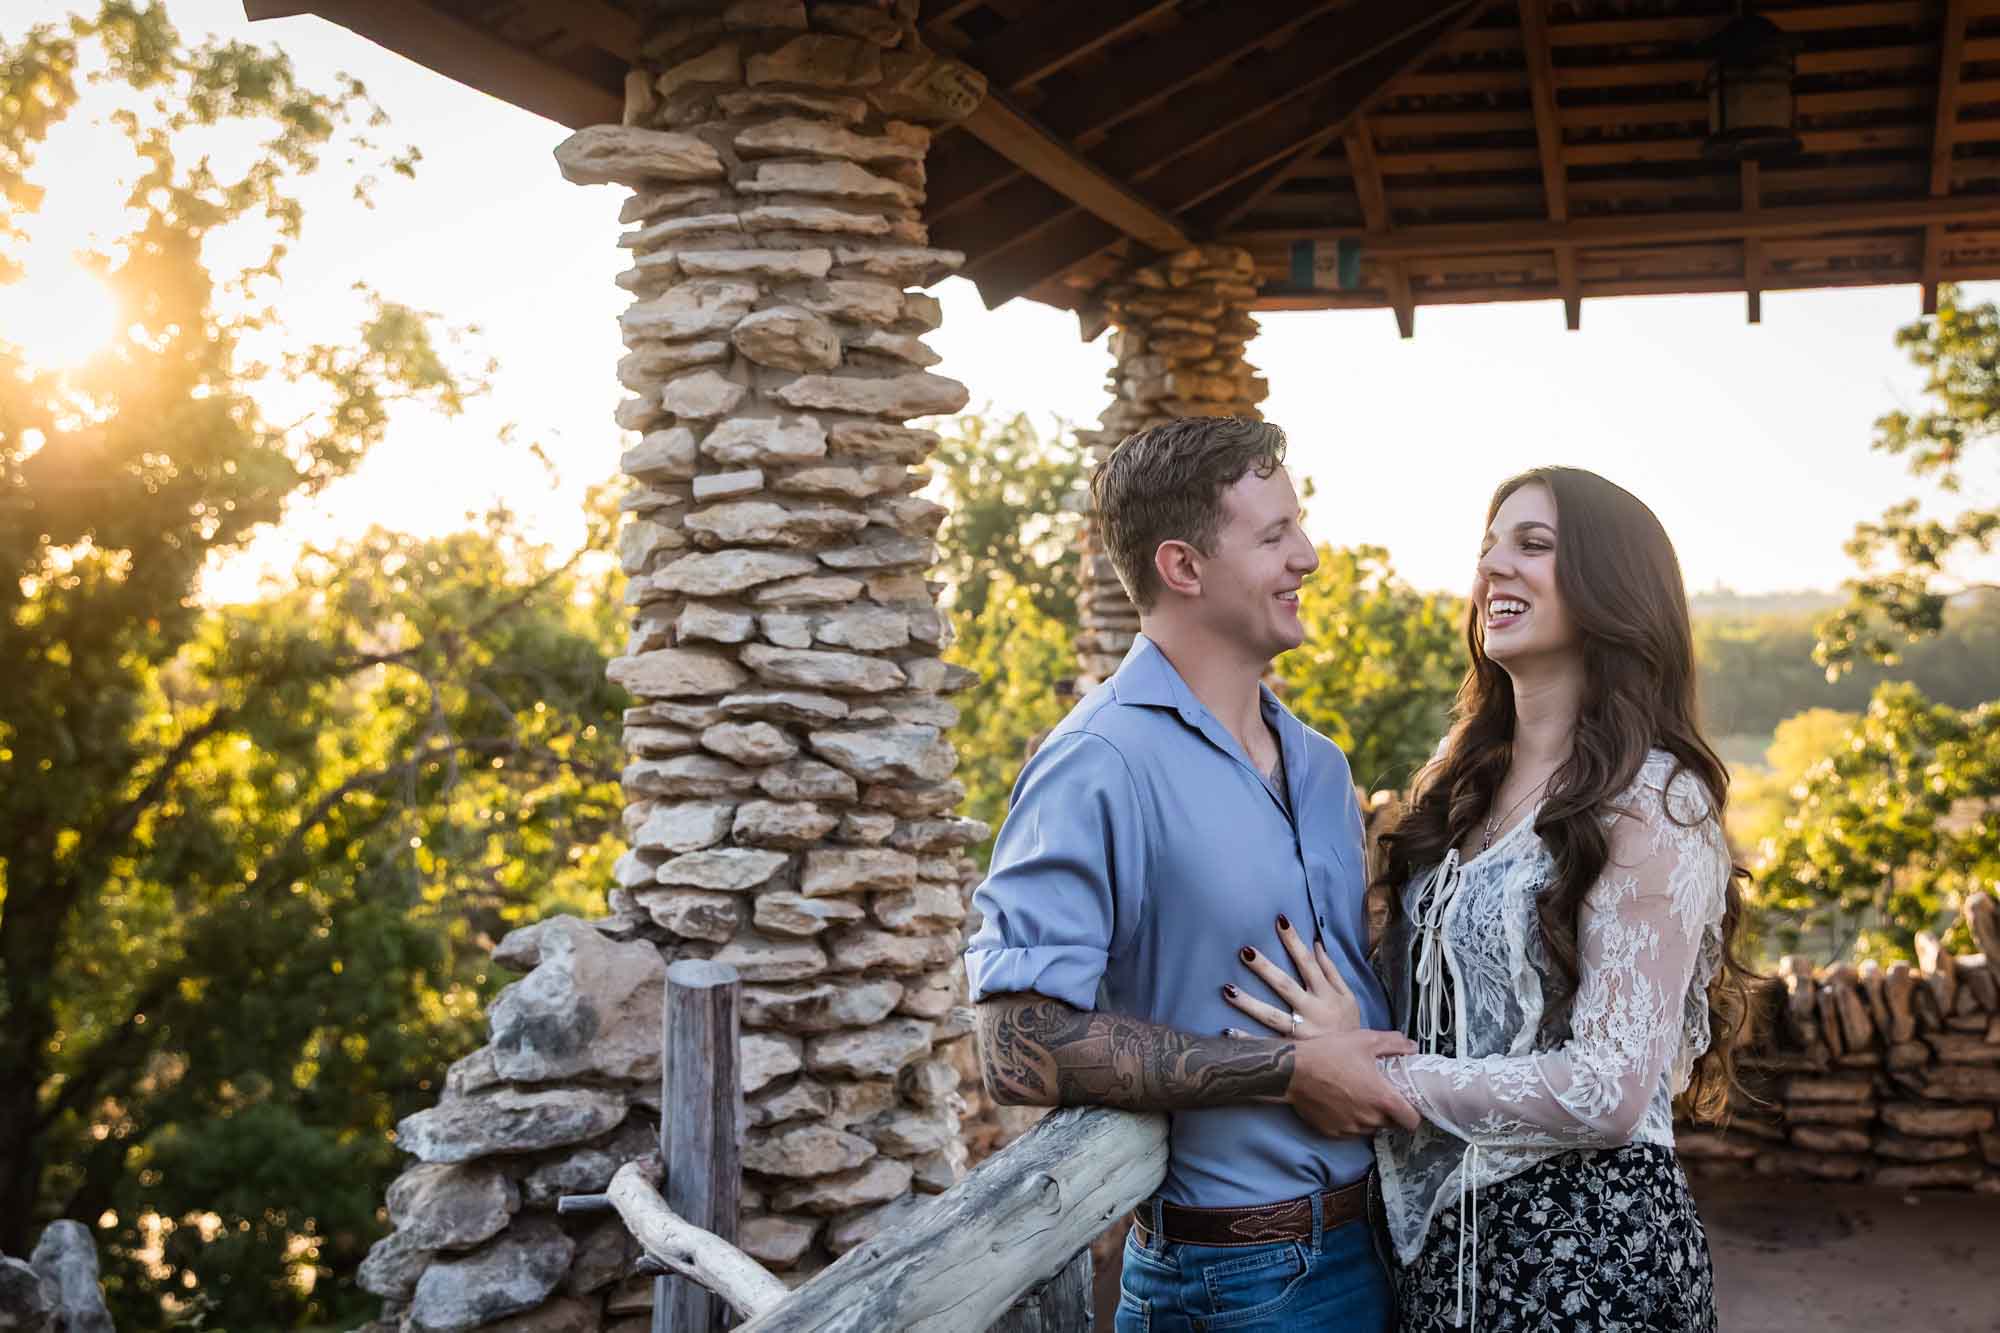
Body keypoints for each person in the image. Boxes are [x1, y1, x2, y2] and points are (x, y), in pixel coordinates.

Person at [1223, 466, 1754, 1330]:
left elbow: (1608, 1089)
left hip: (1585, 1261)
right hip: (1439, 1258)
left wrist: (1381, 1076)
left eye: (1533, 545)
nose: (1493, 568)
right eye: (1488, 547)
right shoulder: (1462, 782)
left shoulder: (1654, 800)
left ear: (1613, 587)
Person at [964, 416, 1419, 1332]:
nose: (1311, 556)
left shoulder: (1324, 767)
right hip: (1229, 1284)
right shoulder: (1096, 761)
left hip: (1385, 1244)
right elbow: (1014, 1042)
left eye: (1300, 525)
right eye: (1274, 535)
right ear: (1183, 567)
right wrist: (1285, 1071)